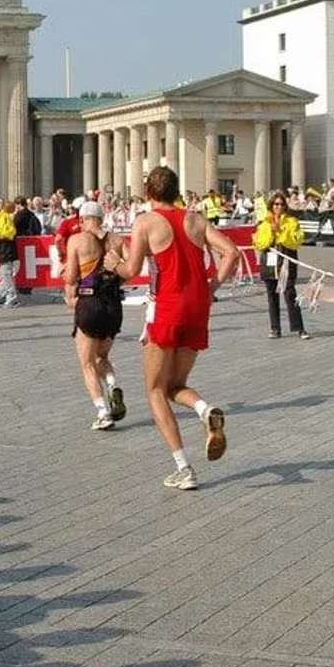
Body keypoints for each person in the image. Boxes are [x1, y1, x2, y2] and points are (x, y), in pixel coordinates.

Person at [108, 167, 239, 490]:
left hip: (167, 307)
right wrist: (213, 286)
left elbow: (132, 269)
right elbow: (232, 252)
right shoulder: (195, 219)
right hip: (198, 308)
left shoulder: (146, 222)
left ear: (149, 192)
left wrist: (114, 266)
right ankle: (205, 410)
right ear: (176, 190)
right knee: (175, 385)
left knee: (154, 390)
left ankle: (184, 468)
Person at [63, 201, 126, 430]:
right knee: (102, 357)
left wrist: (69, 273)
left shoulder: (77, 240)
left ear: (82, 220)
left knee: (87, 363)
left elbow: (70, 278)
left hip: (89, 303)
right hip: (113, 306)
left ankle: (103, 412)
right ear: (102, 218)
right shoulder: (117, 240)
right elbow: (129, 270)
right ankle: (112, 385)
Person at [252, 191, 310, 340]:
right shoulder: (264, 223)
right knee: (272, 295)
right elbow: (259, 243)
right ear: (271, 205)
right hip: (270, 261)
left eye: (282, 204)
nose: (279, 207)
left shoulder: (292, 221)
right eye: (276, 204)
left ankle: (299, 328)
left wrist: (281, 231)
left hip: (286, 260)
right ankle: (275, 328)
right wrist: (271, 233)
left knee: (290, 293)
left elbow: (296, 241)